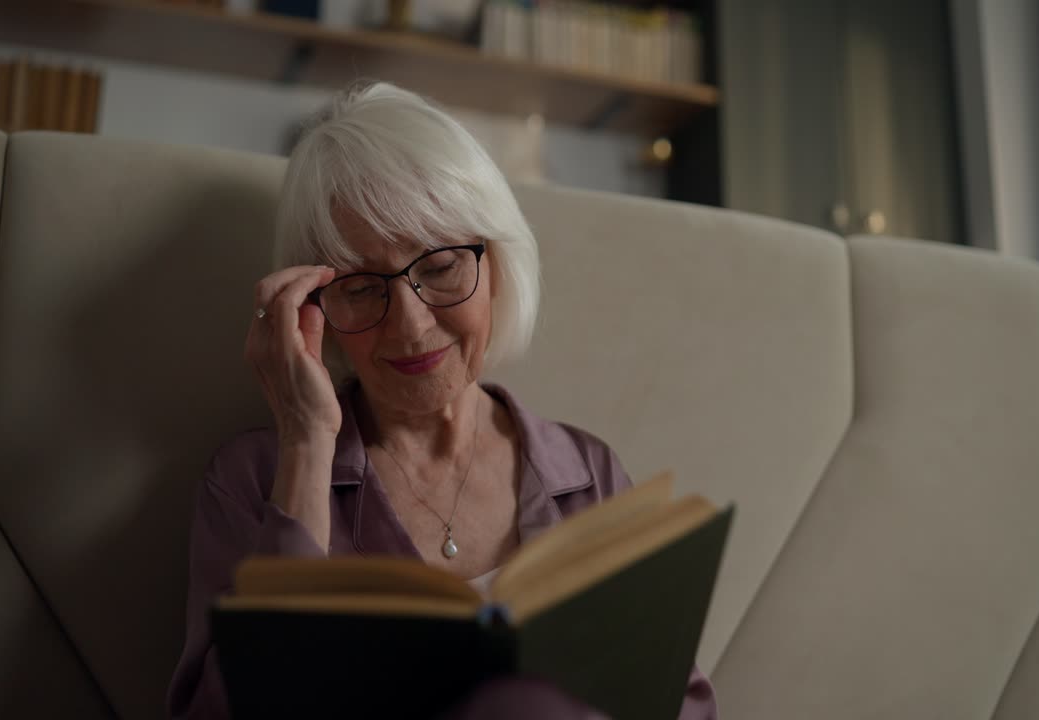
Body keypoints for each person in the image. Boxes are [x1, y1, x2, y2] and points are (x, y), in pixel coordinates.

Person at [167, 80, 717, 719]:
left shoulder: (587, 473)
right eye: (360, 286)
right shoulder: (254, 481)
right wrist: (307, 445)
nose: (411, 324)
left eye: (439, 266)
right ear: (313, 307)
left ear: (497, 264)